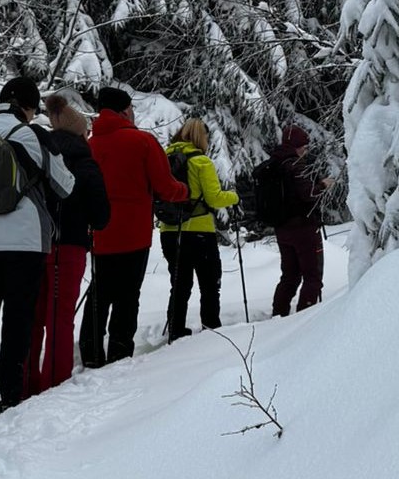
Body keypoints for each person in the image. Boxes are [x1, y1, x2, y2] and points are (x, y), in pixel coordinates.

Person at [0, 78, 75, 417]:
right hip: (26, 241)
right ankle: (11, 394)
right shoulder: (35, 135)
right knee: (18, 319)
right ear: (29, 107)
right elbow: (65, 185)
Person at [81, 87, 187, 367]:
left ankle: (91, 352)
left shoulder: (90, 144)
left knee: (100, 292)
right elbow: (165, 187)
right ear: (125, 110)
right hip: (134, 233)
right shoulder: (142, 141)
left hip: (100, 233)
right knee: (127, 295)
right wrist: (184, 191)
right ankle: (118, 353)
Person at [26, 90, 109, 396]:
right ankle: (54, 385)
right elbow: (102, 216)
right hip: (70, 245)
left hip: (35, 244)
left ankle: (26, 384)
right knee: (60, 320)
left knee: (34, 318)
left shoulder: (38, 156)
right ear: (81, 134)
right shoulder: (85, 164)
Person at [159, 118, 239, 342]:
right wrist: (233, 196)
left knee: (180, 284)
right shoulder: (201, 161)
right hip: (199, 232)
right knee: (209, 282)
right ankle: (211, 326)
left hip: (169, 231)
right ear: (200, 137)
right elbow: (214, 198)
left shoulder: (164, 160)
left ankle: (176, 329)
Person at [270, 126, 330, 317]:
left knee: (290, 276)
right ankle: (305, 320)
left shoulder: (274, 165)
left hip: (282, 229)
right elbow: (309, 194)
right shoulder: (296, 166)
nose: (305, 151)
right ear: (295, 146)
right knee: (312, 277)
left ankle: (279, 315)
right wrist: (323, 185)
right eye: (303, 147)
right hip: (304, 228)